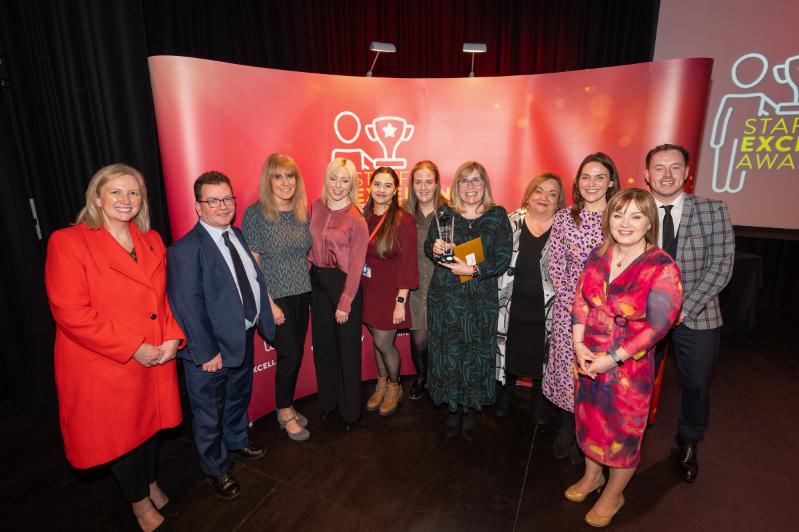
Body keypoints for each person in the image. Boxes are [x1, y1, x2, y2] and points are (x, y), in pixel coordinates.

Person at [45, 163, 184, 531]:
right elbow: (70, 313)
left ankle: (151, 482)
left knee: (150, 427)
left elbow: (162, 300)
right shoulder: (69, 241)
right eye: (116, 192)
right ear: (97, 197)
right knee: (122, 436)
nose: (126, 200)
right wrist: (134, 347)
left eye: (134, 192)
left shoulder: (152, 240)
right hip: (106, 362)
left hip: (153, 356)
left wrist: (173, 336)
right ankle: (138, 503)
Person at [566, 188, 682, 528]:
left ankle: (614, 494)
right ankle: (592, 478)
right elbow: (581, 301)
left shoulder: (662, 266)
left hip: (629, 366)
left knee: (622, 434)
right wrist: (577, 344)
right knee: (588, 422)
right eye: (618, 215)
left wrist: (613, 358)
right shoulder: (599, 252)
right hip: (588, 355)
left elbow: (659, 326)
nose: (625, 223)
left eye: (635, 216)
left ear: (649, 221)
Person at [167, 171, 275, 501]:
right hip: (209, 352)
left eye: (227, 198)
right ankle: (215, 468)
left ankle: (238, 439)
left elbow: (249, 282)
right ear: (198, 207)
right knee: (208, 413)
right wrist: (206, 352)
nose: (223, 206)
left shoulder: (237, 235)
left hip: (240, 337)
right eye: (213, 200)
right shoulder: (185, 250)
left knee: (237, 398)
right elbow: (188, 307)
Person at [644, 143, 734, 483]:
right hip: (643, 316)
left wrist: (682, 308)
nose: (667, 175)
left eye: (674, 168)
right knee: (636, 380)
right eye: (659, 168)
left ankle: (689, 441)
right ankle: (629, 437)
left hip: (697, 314)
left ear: (687, 172)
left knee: (696, 384)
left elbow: (722, 266)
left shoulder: (713, 210)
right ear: (647, 175)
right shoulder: (634, 209)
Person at [426, 161, 513, 441]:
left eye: (476, 181)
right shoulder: (445, 213)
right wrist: (437, 248)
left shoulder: (497, 216)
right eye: (465, 181)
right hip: (447, 296)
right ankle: (453, 409)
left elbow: (503, 256)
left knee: (475, 353)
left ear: (485, 184)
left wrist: (474, 269)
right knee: (449, 352)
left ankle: (470, 408)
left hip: (480, 297)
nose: (471, 187)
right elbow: (431, 248)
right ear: (457, 186)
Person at [544, 152, 620, 463]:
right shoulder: (565, 217)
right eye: (585, 177)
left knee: (599, 372)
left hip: (610, 315)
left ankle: (590, 433)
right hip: (569, 311)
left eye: (599, 177)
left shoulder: (619, 217)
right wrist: (569, 302)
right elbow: (555, 262)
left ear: (611, 181)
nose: (591, 183)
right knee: (567, 369)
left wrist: (607, 311)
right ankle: (568, 424)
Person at [243, 153, 312, 441]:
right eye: (278, 176)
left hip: (302, 294)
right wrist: (268, 304)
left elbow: (304, 255)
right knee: (290, 354)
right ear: (268, 181)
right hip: (276, 298)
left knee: (292, 357)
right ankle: (283, 410)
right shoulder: (255, 214)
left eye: (290, 176)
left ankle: (288, 402)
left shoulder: (301, 213)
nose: (285, 182)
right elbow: (253, 264)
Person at [496, 173, 565, 420]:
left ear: (559, 201)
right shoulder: (510, 221)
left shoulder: (566, 228)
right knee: (511, 348)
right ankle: (508, 391)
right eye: (539, 190)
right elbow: (486, 251)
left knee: (543, 353)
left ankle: (540, 397)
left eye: (552, 193)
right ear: (529, 194)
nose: (544, 197)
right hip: (511, 304)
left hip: (549, 309)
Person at [308, 158, 369, 431]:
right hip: (317, 284)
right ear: (326, 179)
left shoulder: (356, 218)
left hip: (345, 285)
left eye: (345, 180)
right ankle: (328, 403)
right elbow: (310, 249)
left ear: (352, 185)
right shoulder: (316, 207)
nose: (338, 185)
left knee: (347, 351)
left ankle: (350, 412)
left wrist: (345, 303)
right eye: (334, 178)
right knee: (324, 348)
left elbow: (356, 267)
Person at [362, 167, 419, 416]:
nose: (381, 190)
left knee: (385, 343)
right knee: (377, 340)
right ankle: (381, 383)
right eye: (377, 184)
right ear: (370, 186)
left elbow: (408, 263)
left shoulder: (403, 220)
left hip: (391, 293)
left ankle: (395, 386)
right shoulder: (363, 215)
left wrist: (400, 301)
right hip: (368, 290)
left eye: (387, 185)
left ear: (395, 189)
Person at [404, 160, 447, 400]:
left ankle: (438, 380)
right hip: (416, 290)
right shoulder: (404, 214)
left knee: (440, 341)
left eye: (428, 181)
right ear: (412, 185)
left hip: (443, 288)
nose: (423, 187)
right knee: (419, 340)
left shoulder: (449, 213)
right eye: (418, 182)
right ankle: (422, 377)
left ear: (437, 184)